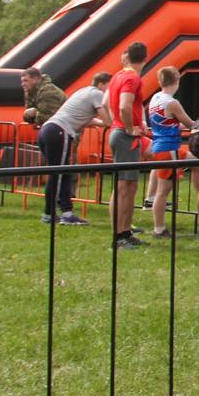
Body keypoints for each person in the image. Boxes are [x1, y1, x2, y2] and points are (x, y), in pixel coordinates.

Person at [38, 72, 108, 225]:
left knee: (63, 173)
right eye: (108, 87)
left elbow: (86, 120)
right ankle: (50, 213)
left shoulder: (83, 91)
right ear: (102, 84)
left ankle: (66, 212)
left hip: (48, 130)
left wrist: (104, 122)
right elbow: (107, 120)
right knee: (58, 174)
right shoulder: (97, 94)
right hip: (59, 131)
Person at [106, 43, 151, 249]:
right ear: (145, 58)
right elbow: (124, 105)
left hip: (121, 133)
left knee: (129, 185)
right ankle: (119, 236)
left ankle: (125, 232)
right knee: (123, 187)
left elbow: (109, 104)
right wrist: (129, 127)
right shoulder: (132, 78)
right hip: (125, 136)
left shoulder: (118, 75)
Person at [145, 66, 197, 239]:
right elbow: (190, 123)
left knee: (196, 163)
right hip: (169, 148)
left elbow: (166, 121)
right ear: (177, 80)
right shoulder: (172, 103)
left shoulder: (156, 98)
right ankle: (159, 229)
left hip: (160, 146)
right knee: (163, 191)